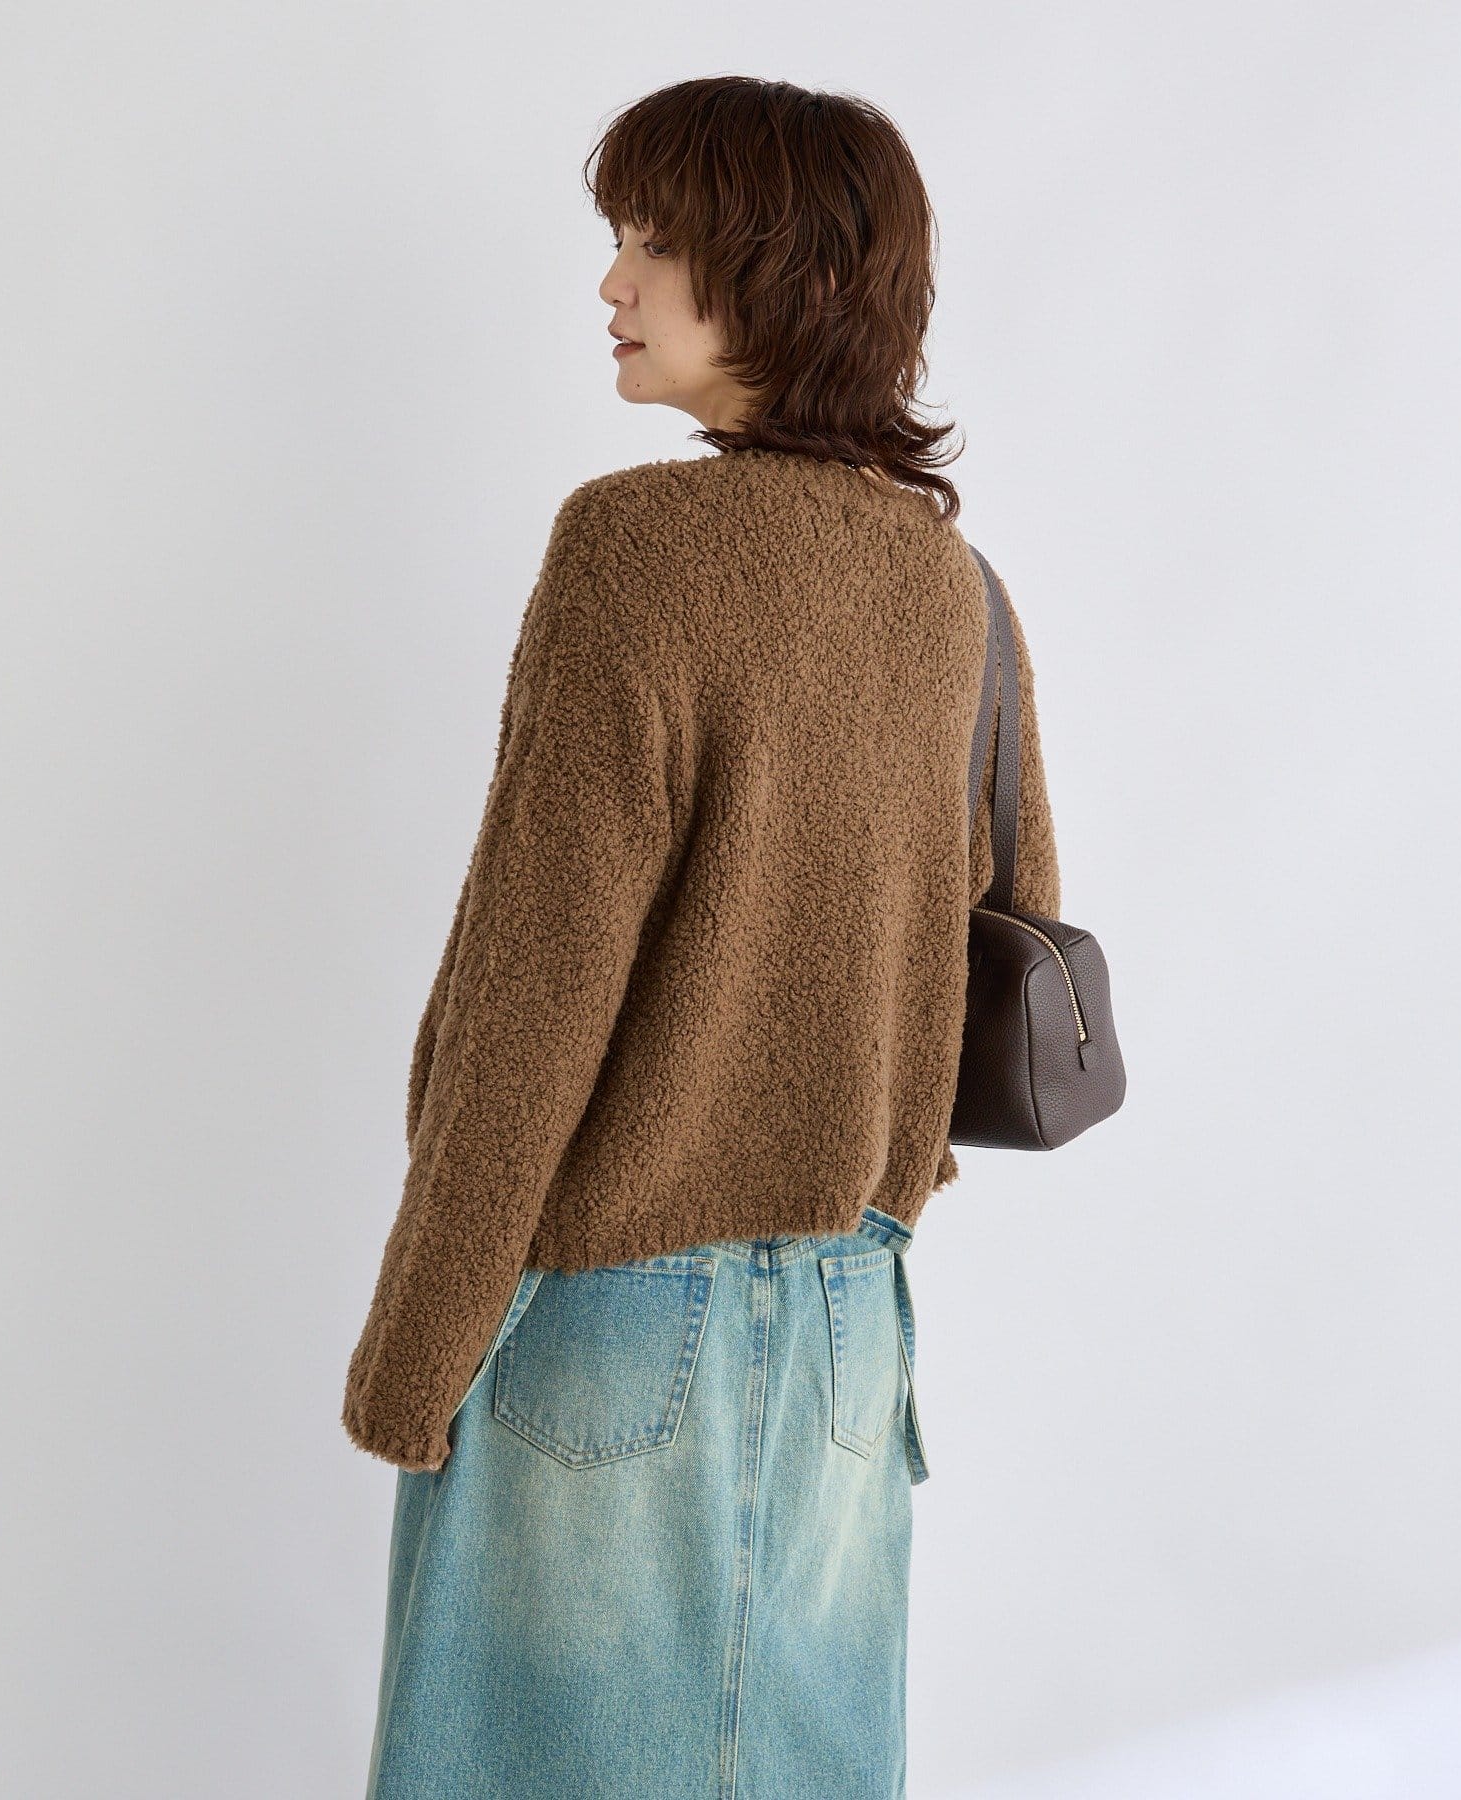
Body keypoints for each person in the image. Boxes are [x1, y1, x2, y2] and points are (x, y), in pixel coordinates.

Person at [345, 74, 1062, 1800]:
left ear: (774, 271)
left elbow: (536, 987)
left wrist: (417, 1351)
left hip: (610, 1317)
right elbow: (1016, 930)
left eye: (653, 244)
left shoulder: (636, 549)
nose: (613, 283)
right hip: (853, 1330)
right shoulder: (953, 588)